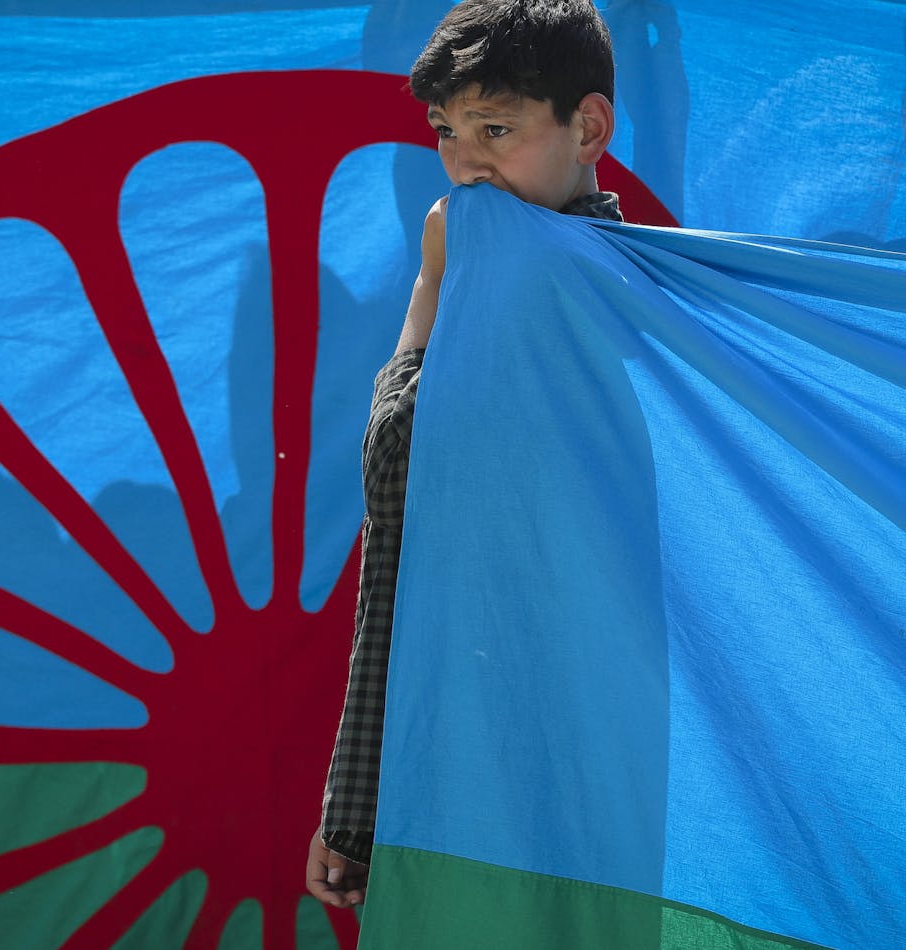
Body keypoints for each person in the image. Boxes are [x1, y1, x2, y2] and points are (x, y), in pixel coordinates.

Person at [305, 0, 626, 910]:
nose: (466, 163)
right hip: (448, 749)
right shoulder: (456, 259)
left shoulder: (644, 304)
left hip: (590, 761)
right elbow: (395, 524)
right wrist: (357, 805)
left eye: (497, 128)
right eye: (448, 133)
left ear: (588, 128)